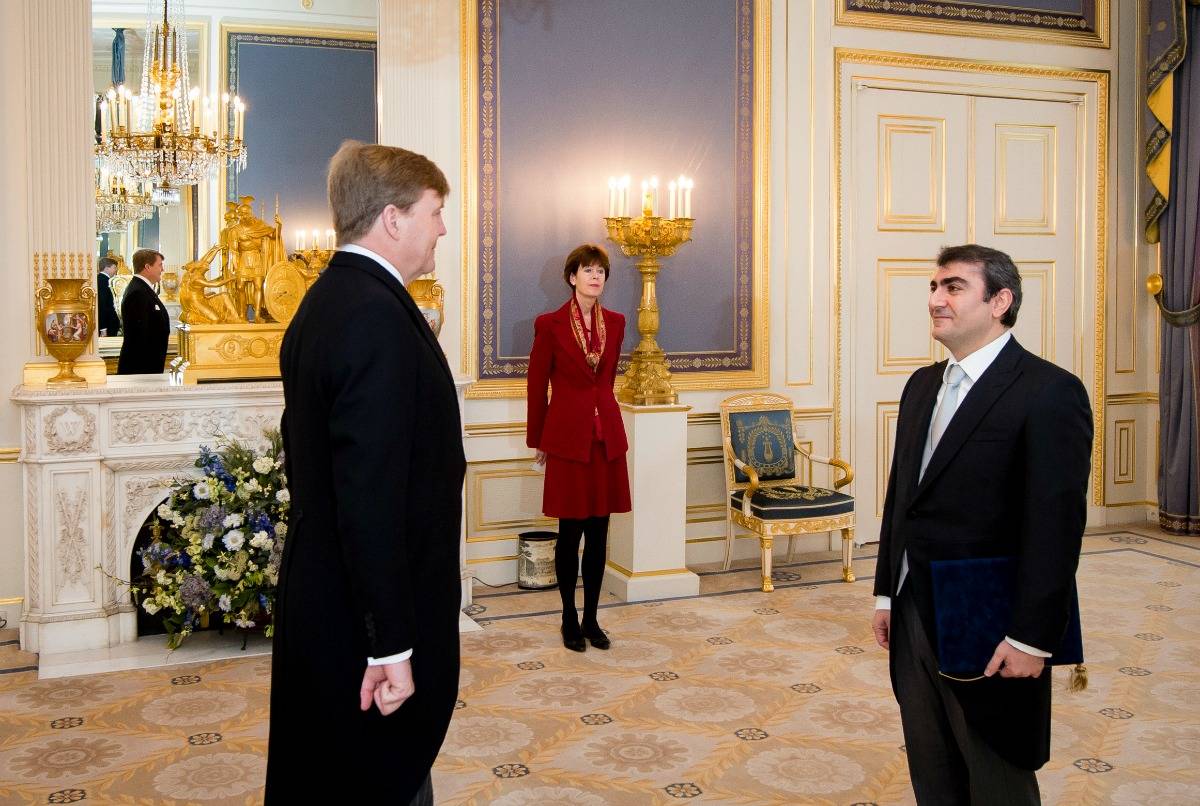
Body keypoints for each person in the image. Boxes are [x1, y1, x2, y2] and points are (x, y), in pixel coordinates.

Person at [266, 141, 464, 806]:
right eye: (435, 211)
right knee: (376, 779)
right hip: (362, 621)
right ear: (393, 218)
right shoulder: (374, 315)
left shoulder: (330, 300)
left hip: (332, 596)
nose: (442, 228)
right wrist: (391, 645)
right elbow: (368, 495)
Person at [871, 244, 1092, 804]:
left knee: (996, 773)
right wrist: (886, 594)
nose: (935, 300)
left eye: (953, 287)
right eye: (934, 287)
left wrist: (1031, 638)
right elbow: (903, 499)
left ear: (1000, 301)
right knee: (932, 764)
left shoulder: (1049, 391)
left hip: (991, 622)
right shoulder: (922, 385)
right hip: (914, 607)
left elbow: (1056, 529)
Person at [527, 243, 630, 652]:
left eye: (600, 271)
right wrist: (539, 439)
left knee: (600, 533)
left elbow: (608, 380)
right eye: (587, 270)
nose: (595, 277)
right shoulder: (549, 324)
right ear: (572, 278)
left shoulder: (617, 323)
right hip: (567, 439)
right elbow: (537, 385)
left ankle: (592, 618)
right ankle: (568, 616)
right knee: (569, 533)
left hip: (606, 438)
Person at [116, 249, 169, 374]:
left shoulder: (142, 289)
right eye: (160, 265)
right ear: (147, 267)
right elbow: (140, 336)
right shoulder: (138, 292)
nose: (162, 269)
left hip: (146, 367)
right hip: (140, 368)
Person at [96, 255, 121, 336]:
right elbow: (102, 305)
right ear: (106, 268)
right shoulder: (104, 281)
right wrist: (103, 328)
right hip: (108, 324)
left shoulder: (103, 280)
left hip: (109, 323)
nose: (116, 270)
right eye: (114, 267)